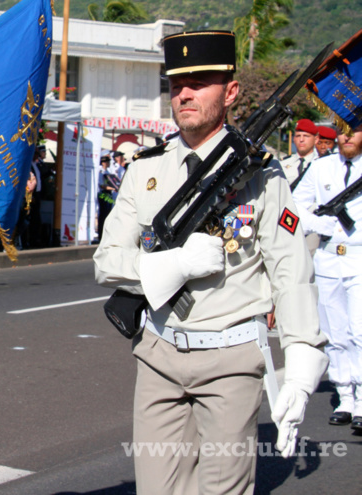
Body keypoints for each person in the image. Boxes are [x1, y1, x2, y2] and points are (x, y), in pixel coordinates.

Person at [94, 30, 327, 494]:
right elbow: (108, 262)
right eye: (176, 84)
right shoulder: (146, 167)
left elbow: (291, 271)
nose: (184, 94)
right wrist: (175, 265)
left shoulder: (262, 173)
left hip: (230, 358)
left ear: (231, 91)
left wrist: (302, 361)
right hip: (158, 355)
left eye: (199, 83)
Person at [293, 124, 362, 431]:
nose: (347, 137)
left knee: (359, 330)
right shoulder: (322, 167)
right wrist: (319, 225)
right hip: (328, 256)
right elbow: (294, 203)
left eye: (354, 131)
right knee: (335, 332)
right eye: (343, 131)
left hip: (360, 256)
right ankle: (344, 395)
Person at [280, 118, 319, 188]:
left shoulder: (321, 164)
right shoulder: (283, 164)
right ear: (294, 139)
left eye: (306, 136)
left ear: (316, 140)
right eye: (298, 136)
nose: (301, 140)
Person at [96, 154, 119, 242]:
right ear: (103, 163)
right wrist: (113, 188)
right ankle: (101, 235)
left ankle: (106, 235)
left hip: (109, 194)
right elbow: (102, 185)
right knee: (103, 215)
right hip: (103, 194)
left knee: (108, 214)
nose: (108, 163)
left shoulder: (108, 172)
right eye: (107, 162)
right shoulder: (100, 172)